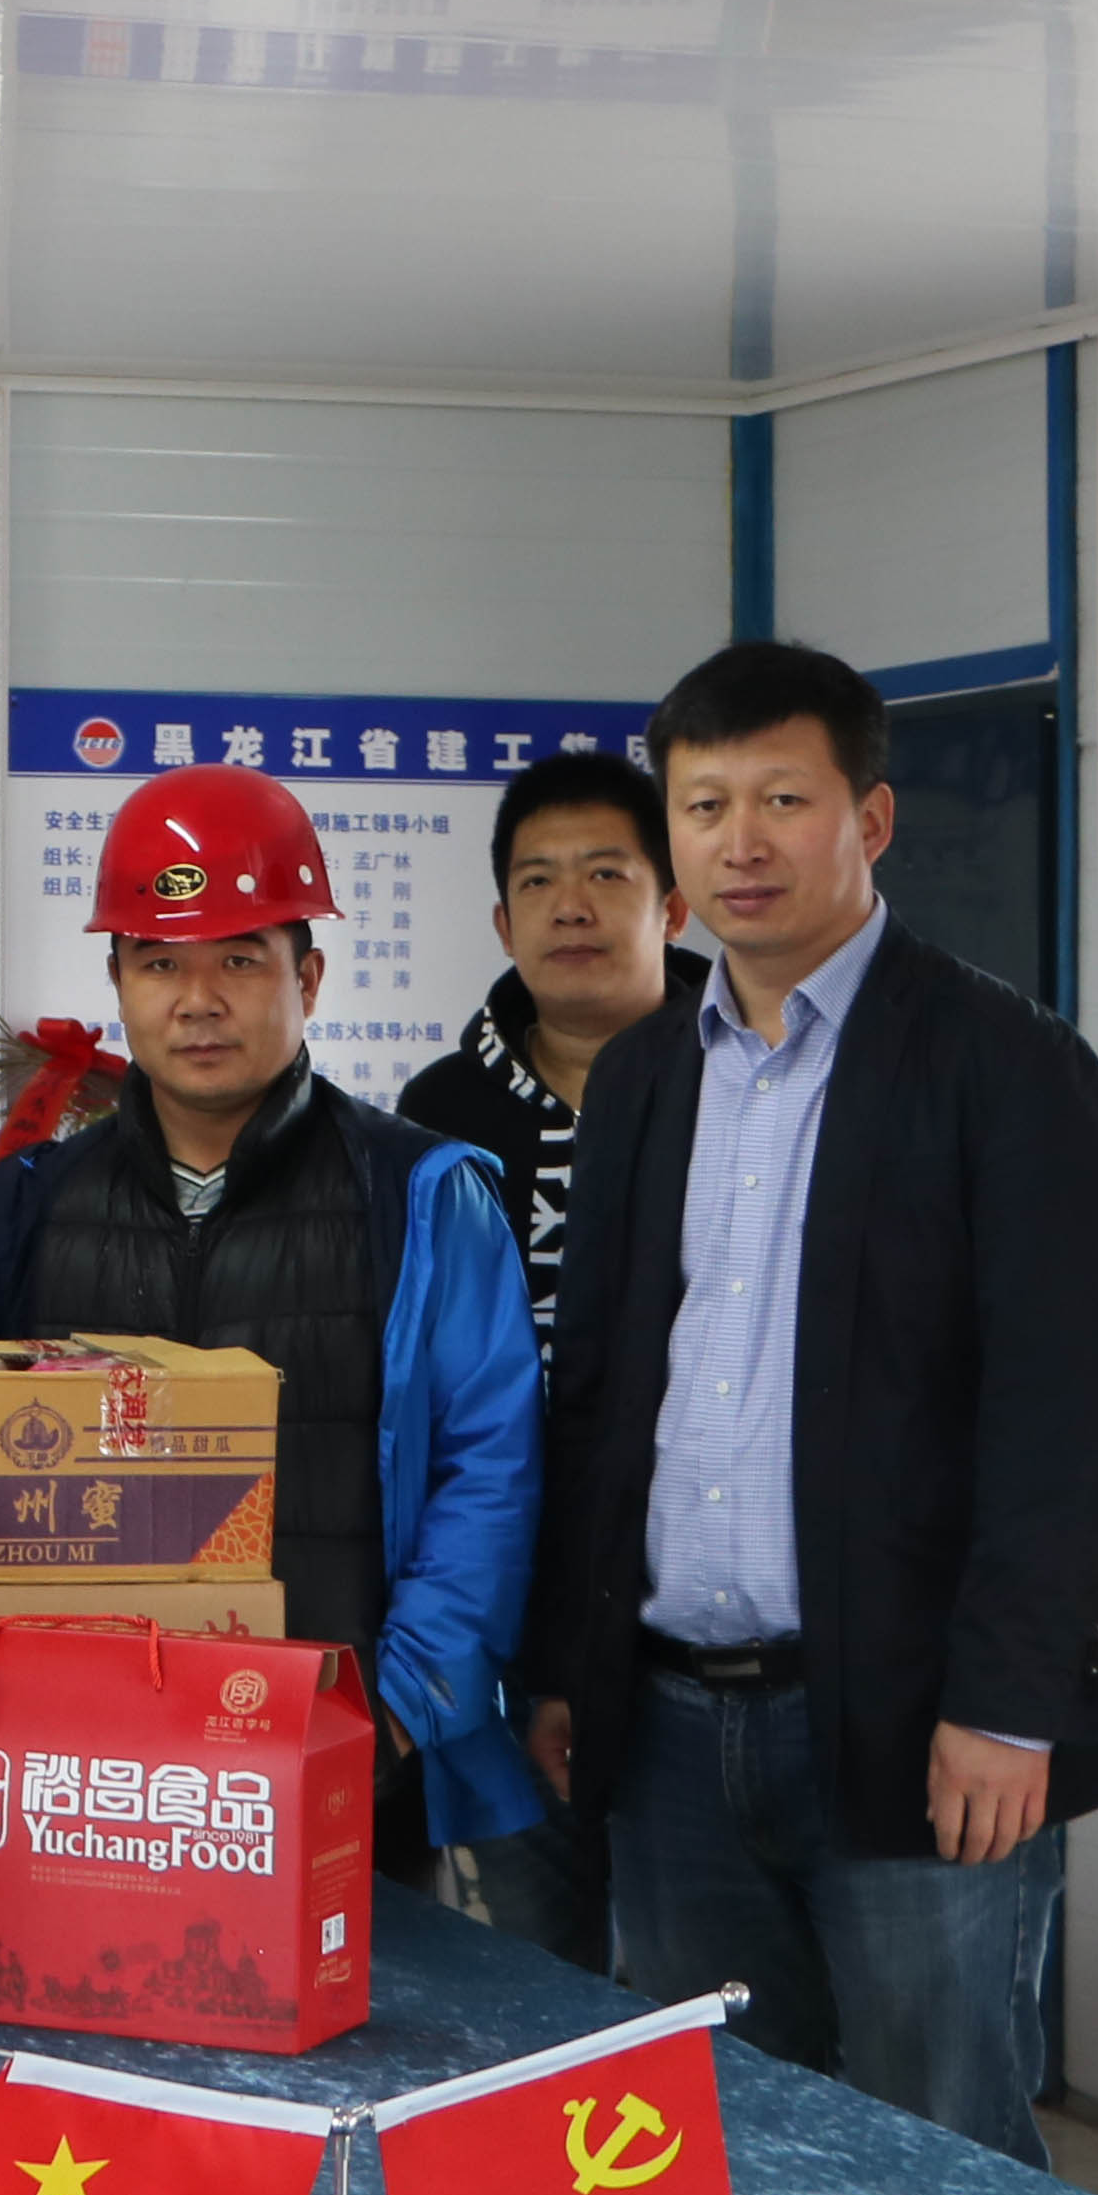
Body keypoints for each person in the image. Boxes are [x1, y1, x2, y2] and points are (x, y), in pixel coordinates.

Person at [523, 639, 1098, 2164]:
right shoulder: (647, 1075)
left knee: (941, 2153)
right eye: (705, 805)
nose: (742, 841)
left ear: (870, 819)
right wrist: (566, 1666)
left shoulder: (1009, 1068)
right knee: (707, 2157)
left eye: (782, 800)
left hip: (918, 1729)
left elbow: (1064, 1426)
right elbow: (595, 1397)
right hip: (670, 1731)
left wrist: (1006, 1705)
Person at [0, 765, 549, 1889]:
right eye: (160, 962)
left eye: (239, 959)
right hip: (84, 1777)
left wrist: (394, 1711)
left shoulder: (418, 1196)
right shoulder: (23, 1213)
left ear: (306, 976)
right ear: (118, 981)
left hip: (344, 1762)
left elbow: (490, 1464)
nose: (197, 999)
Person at [394, 743, 699, 1974]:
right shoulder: (435, 1113)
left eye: (607, 874)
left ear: (672, 906)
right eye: (538, 881)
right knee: (536, 1980)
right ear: (501, 919)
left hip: (697, 1635)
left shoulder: (749, 1082)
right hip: (503, 1627)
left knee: (702, 1985)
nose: (571, 906)